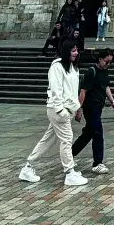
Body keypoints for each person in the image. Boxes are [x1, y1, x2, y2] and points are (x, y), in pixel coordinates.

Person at [19, 42, 87, 187]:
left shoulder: (73, 67)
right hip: (58, 110)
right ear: (66, 51)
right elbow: (56, 90)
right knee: (67, 139)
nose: (75, 53)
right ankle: (69, 172)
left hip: (67, 109)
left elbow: (72, 90)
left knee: (48, 139)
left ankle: (28, 167)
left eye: (77, 51)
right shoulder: (57, 66)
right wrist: (60, 110)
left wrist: (75, 108)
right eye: (73, 50)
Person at [73, 47, 114, 174]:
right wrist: (79, 109)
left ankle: (69, 155)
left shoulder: (104, 72)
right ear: (100, 59)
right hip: (90, 107)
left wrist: (112, 102)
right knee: (98, 133)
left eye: (110, 62)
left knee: (88, 133)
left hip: (98, 107)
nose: (108, 64)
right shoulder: (91, 72)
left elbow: (106, 87)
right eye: (106, 61)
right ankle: (97, 163)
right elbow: (83, 91)